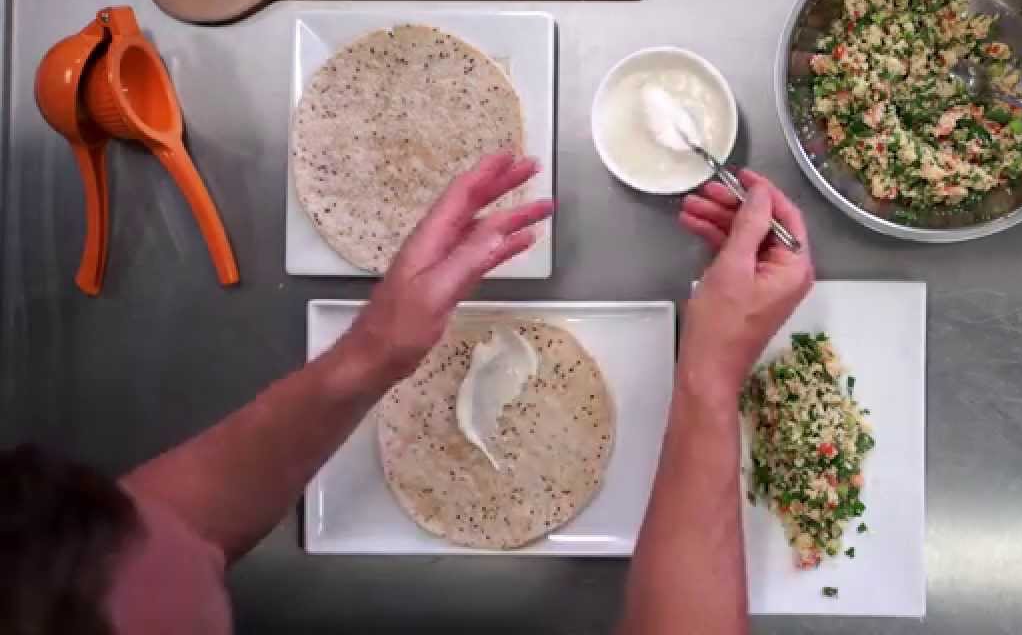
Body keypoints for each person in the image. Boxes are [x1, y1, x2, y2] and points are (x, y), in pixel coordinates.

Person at [0, 150, 813, 635]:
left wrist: (372, 353)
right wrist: (710, 377)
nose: (182, 532)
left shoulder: (66, 569)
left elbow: (175, 531)